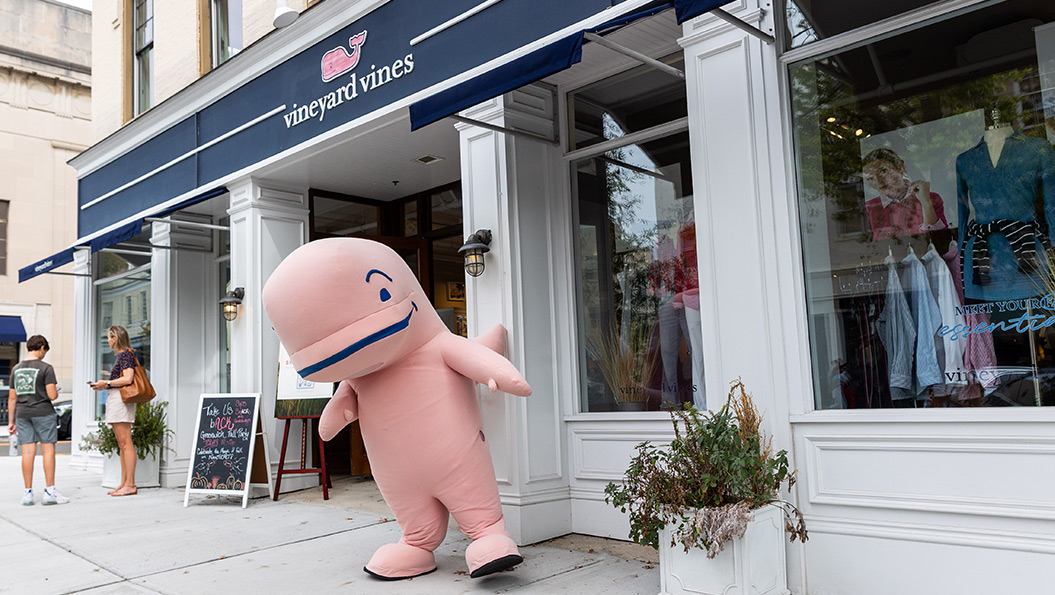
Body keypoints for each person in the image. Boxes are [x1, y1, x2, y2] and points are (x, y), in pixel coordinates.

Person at [8, 335, 69, 505]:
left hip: (22, 414)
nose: (44, 355)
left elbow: (12, 398)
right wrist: (55, 390)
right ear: (42, 347)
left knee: (27, 453)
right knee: (48, 451)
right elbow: (52, 395)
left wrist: (11, 422)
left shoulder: (16, 369)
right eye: (45, 351)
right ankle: (49, 492)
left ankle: (28, 494)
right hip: (43, 412)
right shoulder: (46, 368)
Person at [90, 326, 138, 497]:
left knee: (126, 443)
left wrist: (106, 383)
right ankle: (124, 483)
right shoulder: (122, 356)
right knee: (121, 444)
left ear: (117, 338)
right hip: (116, 400)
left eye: (110, 337)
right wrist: (103, 386)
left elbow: (128, 378)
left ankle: (130, 484)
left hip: (121, 401)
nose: (108, 340)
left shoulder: (126, 354)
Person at [861, 148, 949, 241]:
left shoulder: (931, 198)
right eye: (870, 178)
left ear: (899, 166)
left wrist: (926, 203)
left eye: (883, 171)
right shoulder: (869, 208)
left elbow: (942, 240)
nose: (878, 181)